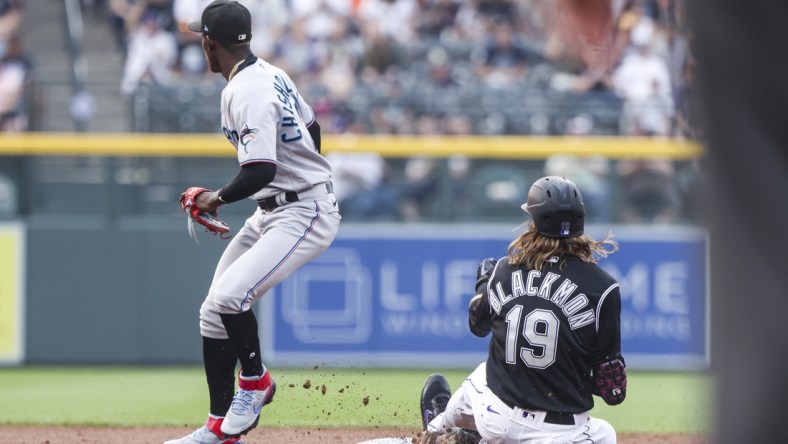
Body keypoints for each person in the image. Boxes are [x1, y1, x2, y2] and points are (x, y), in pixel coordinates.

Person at [164, 1, 341, 443]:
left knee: (229, 295)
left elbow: (260, 169)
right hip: (274, 208)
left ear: (209, 43)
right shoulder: (271, 73)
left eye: (200, 37)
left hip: (303, 209)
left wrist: (215, 198)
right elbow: (312, 126)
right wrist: (301, 164)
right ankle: (218, 430)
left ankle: (257, 381)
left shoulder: (245, 90)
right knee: (213, 312)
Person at [419, 176, 626, 444]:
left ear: (535, 221)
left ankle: (437, 430)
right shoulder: (604, 288)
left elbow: (477, 326)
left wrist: (484, 286)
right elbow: (613, 392)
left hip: (497, 419)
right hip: (562, 435)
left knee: (483, 374)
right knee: (606, 434)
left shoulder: (505, 269)